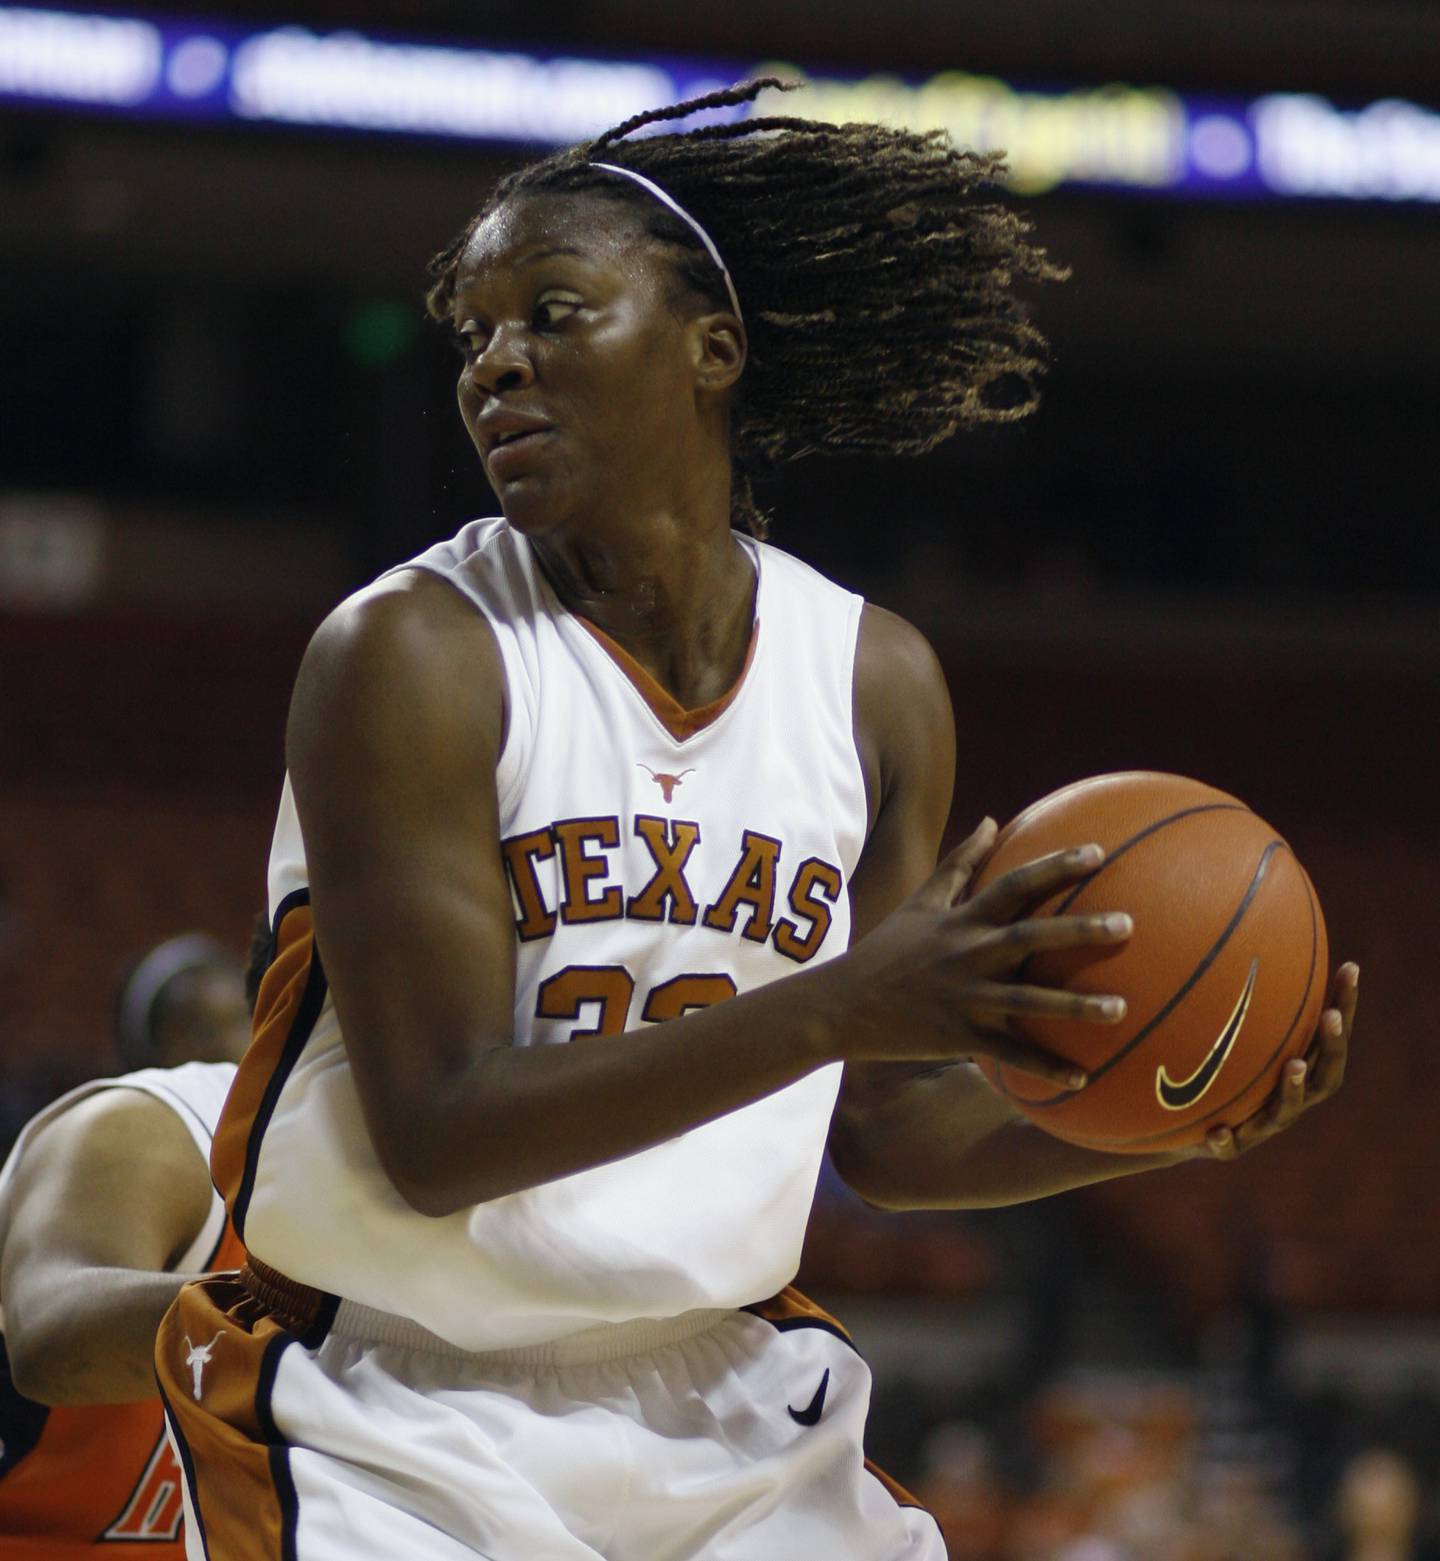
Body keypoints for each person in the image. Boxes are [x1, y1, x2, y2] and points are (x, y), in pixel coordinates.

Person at [156, 81, 1357, 1560]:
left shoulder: (874, 680)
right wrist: (844, 998)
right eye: (474, 335)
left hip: (726, 1390)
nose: (495, 367)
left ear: (713, 350)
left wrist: (1169, 1119)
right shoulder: (411, 656)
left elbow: (894, 1134)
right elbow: (442, 1134)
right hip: (393, 1396)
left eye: (553, 311)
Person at [0, 933, 252, 1556]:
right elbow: (50, 1334)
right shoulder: (142, 1130)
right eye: (196, 1026)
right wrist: (321, 1318)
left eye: (233, 1021)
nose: (226, 1041)